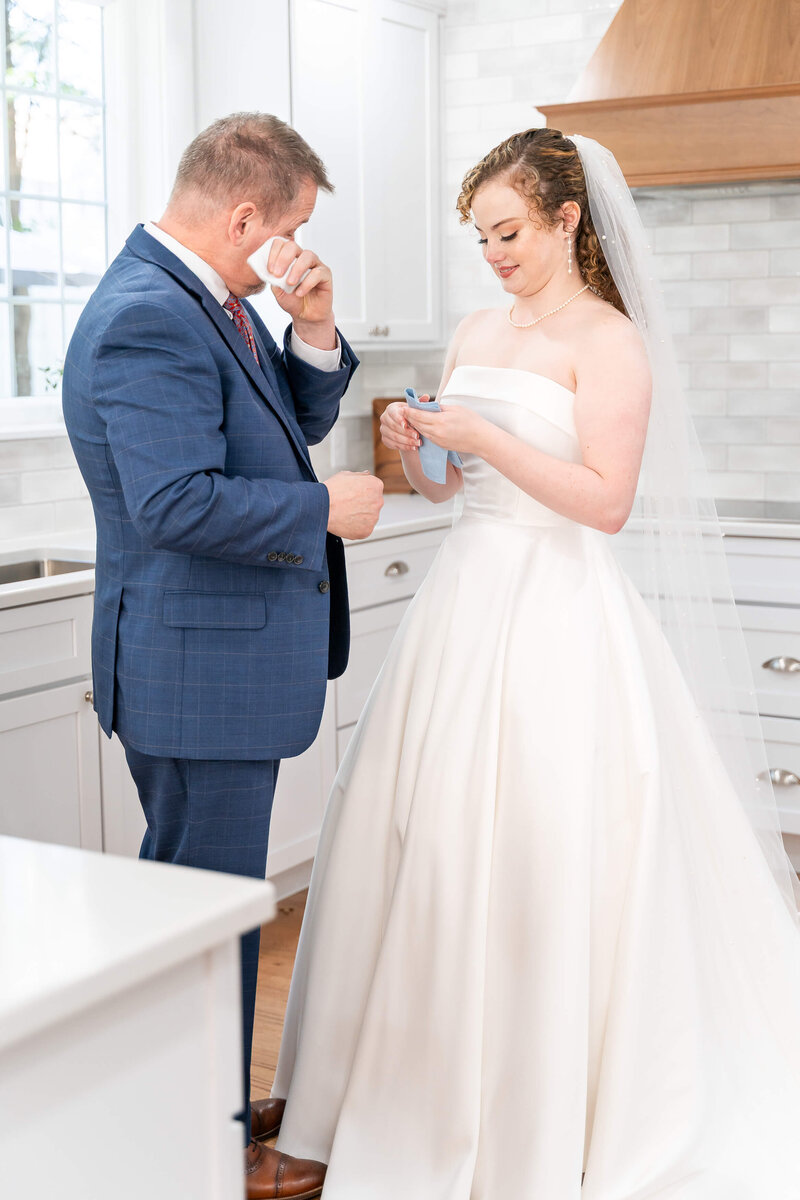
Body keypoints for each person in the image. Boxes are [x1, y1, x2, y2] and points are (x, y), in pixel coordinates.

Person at [267, 128, 800, 1197]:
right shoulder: (474, 327)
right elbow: (450, 492)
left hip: (558, 612)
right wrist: (425, 454)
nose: (493, 255)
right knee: (418, 837)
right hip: (461, 605)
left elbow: (602, 504)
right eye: (478, 237)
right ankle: (396, 1087)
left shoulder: (608, 343)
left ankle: (537, 1107)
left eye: (508, 233)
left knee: (543, 845)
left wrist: (489, 436)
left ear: (566, 220)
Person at [62, 112, 383, 1200]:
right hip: (198, 673)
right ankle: (202, 1141)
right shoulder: (151, 316)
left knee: (199, 906)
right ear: (245, 214)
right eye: (289, 226)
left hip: (211, 666)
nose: (293, 245)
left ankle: (191, 1109)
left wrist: (316, 328)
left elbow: (271, 427)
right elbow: (174, 503)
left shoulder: (211, 302)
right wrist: (323, 507)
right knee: (210, 910)